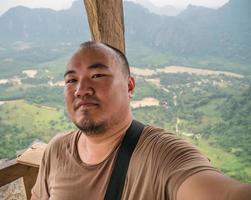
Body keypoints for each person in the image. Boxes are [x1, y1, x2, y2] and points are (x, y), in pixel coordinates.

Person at [31, 41, 251, 200]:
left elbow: (227, 193)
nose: (81, 90)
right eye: (71, 80)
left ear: (129, 87)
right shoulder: (57, 150)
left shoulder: (162, 155)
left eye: (97, 75)